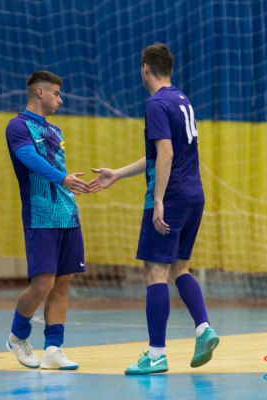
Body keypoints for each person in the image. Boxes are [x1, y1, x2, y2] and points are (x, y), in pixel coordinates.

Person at [89, 43, 219, 374]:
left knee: (154, 272)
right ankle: (204, 329)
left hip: (170, 196)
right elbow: (159, 154)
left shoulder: (155, 103)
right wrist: (117, 174)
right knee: (179, 268)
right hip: (194, 195)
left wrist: (159, 200)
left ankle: (157, 354)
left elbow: (166, 154)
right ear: (170, 69)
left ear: (145, 68)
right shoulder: (182, 100)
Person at [4, 71, 89, 370]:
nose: (60, 100)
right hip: (41, 215)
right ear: (40, 92)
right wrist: (63, 178)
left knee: (62, 286)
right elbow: (30, 158)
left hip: (68, 214)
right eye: (56, 93)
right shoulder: (18, 126)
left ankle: (53, 349)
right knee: (42, 285)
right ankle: (17, 336)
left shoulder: (55, 130)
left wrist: (69, 184)